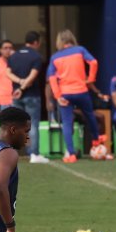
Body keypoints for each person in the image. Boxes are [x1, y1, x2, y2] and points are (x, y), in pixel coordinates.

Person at [47, 30, 103, 164]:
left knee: (67, 123)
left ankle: (71, 154)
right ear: (72, 39)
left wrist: (57, 96)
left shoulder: (55, 57)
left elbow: (51, 78)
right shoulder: (80, 50)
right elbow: (94, 62)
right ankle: (96, 143)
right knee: (90, 116)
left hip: (65, 94)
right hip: (81, 91)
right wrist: (90, 79)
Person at [7, 31, 49, 164]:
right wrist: (23, 87)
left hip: (16, 95)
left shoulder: (14, 56)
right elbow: (33, 76)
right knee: (32, 125)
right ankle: (34, 154)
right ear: (36, 42)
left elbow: (7, 73)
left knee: (16, 125)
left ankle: (11, 153)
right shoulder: (36, 56)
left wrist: (18, 84)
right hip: (31, 95)